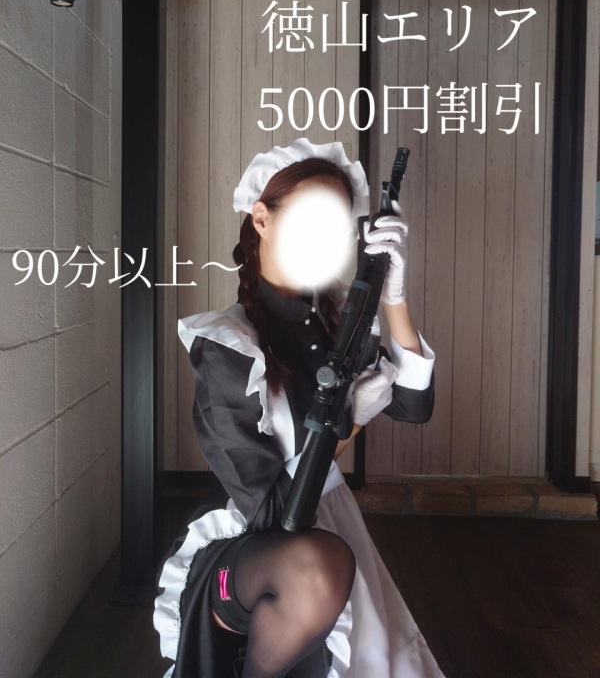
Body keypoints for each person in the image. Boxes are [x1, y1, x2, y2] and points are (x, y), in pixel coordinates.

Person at [153, 138, 446, 678]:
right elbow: (269, 516)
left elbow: (413, 403)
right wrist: (349, 423)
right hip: (251, 553)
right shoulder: (227, 346)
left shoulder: (332, 322)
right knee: (316, 570)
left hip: (327, 525)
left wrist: (394, 297)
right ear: (261, 218)